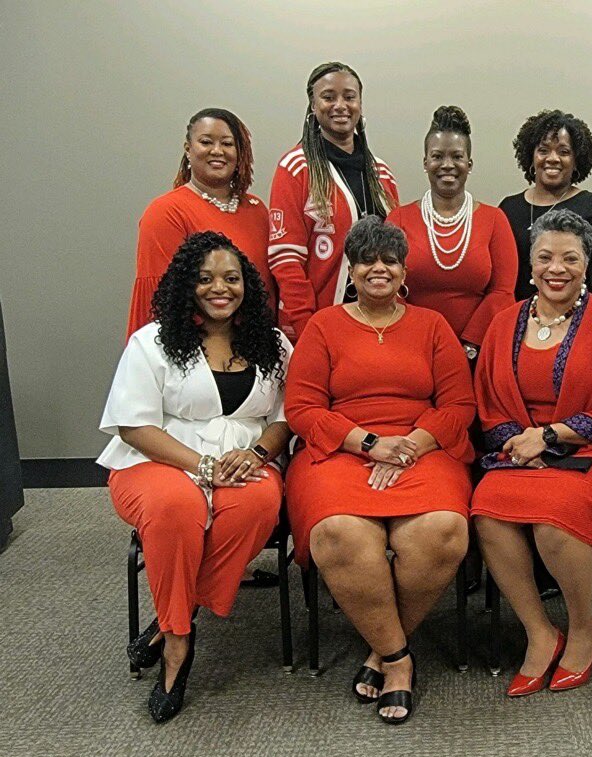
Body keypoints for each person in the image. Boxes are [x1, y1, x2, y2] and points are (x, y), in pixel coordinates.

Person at [284, 216, 475, 725]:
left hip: (423, 448)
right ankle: (398, 659)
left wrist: (406, 447)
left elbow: (458, 404)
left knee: (443, 530)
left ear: (404, 270)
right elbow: (302, 408)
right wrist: (370, 444)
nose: (378, 268)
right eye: (367, 259)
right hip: (339, 451)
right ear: (350, 268)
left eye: (389, 259)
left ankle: (380, 649)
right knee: (340, 534)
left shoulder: (432, 326)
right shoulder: (323, 328)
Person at [100, 231, 292, 723]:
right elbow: (133, 424)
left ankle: (169, 621)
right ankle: (179, 646)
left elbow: (286, 415)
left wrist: (258, 454)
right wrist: (200, 467)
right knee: (177, 508)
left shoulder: (271, 343)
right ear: (187, 285)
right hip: (157, 463)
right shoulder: (155, 341)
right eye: (205, 279)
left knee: (257, 506)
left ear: (246, 284)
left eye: (231, 278)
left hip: (242, 462)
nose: (219, 288)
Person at [471, 210, 592, 697]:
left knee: (555, 517)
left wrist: (552, 435)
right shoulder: (504, 322)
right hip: (523, 452)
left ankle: (583, 627)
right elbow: (490, 405)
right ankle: (539, 631)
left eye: (570, 258)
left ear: (586, 263)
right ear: (530, 264)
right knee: (488, 512)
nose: (556, 268)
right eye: (545, 257)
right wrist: (525, 442)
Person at [268, 61, 400, 342]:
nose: (340, 105)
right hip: (315, 324)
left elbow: (397, 256)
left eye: (349, 97)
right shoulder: (296, 168)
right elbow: (286, 260)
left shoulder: (382, 173)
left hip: (377, 324)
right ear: (313, 106)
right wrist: (308, 327)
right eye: (329, 97)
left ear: (360, 105)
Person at [127, 108, 274, 339]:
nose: (217, 151)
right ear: (188, 149)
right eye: (206, 142)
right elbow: (161, 301)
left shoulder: (258, 210)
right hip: (193, 351)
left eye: (227, 143)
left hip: (253, 348)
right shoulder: (166, 212)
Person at [387, 106, 516, 362]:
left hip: (479, 353)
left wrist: (469, 345)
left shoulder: (495, 220)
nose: (447, 165)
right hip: (410, 348)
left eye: (457, 156)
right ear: (425, 163)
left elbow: (502, 292)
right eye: (437, 156)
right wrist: (420, 340)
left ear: (469, 163)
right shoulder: (398, 220)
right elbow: (388, 289)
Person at [499, 110, 592, 303]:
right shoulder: (508, 209)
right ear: (531, 157)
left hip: (578, 323)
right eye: (543, 150)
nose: (552, 158)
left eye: (564, 152)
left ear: (576, 161)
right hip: (519, 320)